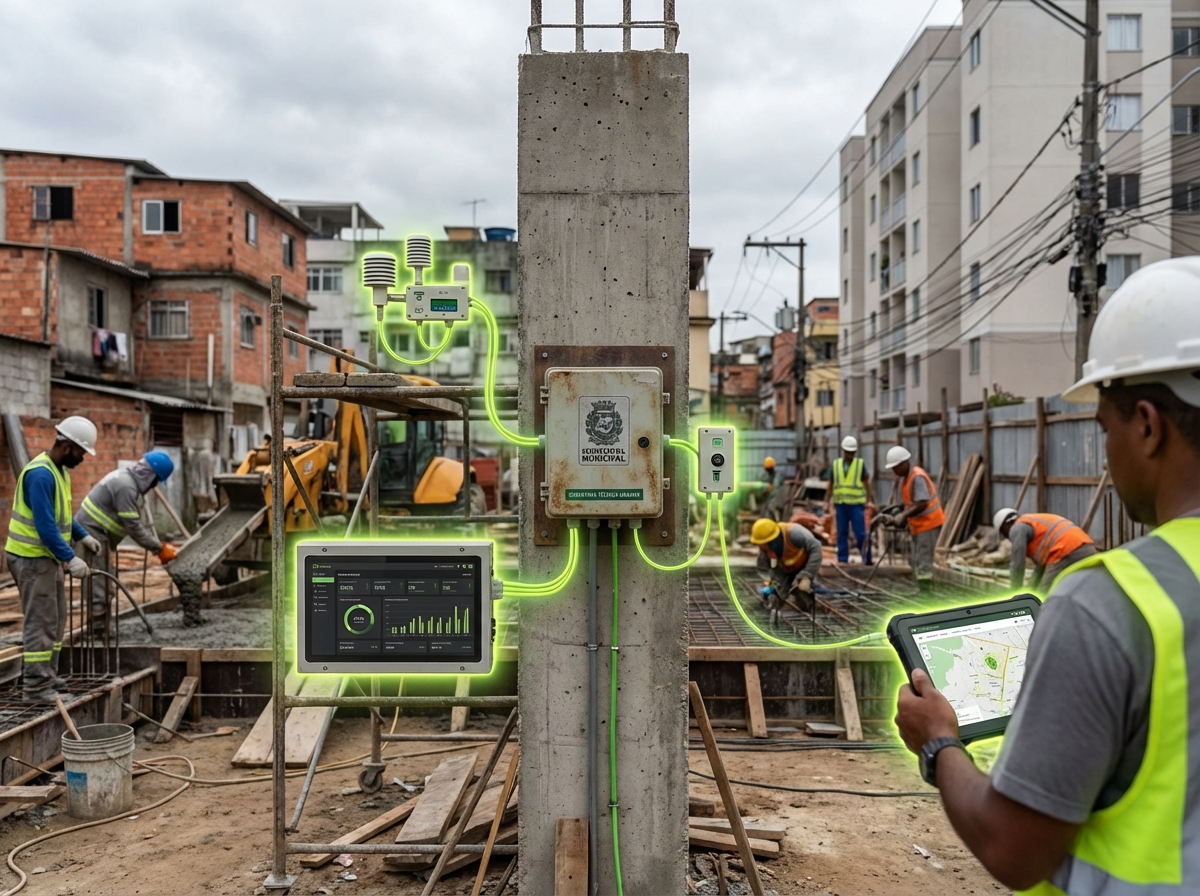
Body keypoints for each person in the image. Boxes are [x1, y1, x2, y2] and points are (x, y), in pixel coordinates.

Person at [893, 256, 1200, 893]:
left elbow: (1014, 849)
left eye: (1104, 428)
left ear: (1145, 425)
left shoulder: (1107, 606)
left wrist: (938, 742)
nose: (1107, 454)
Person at [3, 417, 98, 702]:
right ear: (67, 446)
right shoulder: (41, 474)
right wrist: (71, 558)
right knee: (40, 621)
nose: (83, 458)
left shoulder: (59, 471)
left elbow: (62, 517)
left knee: (56, 619)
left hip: (45, 560)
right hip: (31, 560)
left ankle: (46, 674)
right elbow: (45, 527)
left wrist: (82, 536)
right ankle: (35, 687)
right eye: (81, 452)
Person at [76, 451, 177, 629]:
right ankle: (98, 626)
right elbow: (133, 526)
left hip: (97, 532)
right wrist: (157, 547)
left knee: (107, 575)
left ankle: (103, 622)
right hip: (91, 533)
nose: (154, 486)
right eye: (155, 482)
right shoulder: (126, 486)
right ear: (150, 476)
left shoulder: (126, 480)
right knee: (98, 579)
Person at [882, 445, 944, 593]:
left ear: (904, 463)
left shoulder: (917, 477)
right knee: (916, 560)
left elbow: (922, 503)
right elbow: (912, 502)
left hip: (928, 524)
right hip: (919, 526)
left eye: (895, 467)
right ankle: (922, 591)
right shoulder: (907, 478)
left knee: (924, 562)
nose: (894, 471)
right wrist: (901, 509)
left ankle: (926, 596)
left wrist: (903, 515)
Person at [993, 508, 1097, 592]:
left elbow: (1017, 564)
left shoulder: (1017, 528)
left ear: (1005, 526)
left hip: (1065, 551)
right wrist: (1029, 591)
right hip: (1087, 547)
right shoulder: (1033, 522)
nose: (1007, 537)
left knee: (1042, 596)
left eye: (1004, 533)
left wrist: (1014, 593)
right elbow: (1041, 568)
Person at [749, 517, 823, 625]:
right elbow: (766, 569)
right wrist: (773, 585)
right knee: (776, 596)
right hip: (783, 569)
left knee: (803, 594)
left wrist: (807, 575)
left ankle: (812, 618)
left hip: (802, 567)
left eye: (765, 544)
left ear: (773, 539)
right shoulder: (766, 549)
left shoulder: (794, 534)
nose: (763, 547)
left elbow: (816, 548)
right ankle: (771, 618)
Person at [830, 435, 874, 566]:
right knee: (841, 532)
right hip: (841, 504)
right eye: (848, 452)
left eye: (852, 452)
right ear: (843, 451)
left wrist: (870, 499)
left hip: (856, 505)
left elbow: (866, 483)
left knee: (860, 533)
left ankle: (867, 558)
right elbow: (831, 482)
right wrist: (827, 500)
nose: (850, 454)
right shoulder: (836, 464)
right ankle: (842, 559)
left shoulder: (860, 464)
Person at [758, 456, 786, 521]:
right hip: (769, 499)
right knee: (766, 513)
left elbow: (775, 486)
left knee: (771, 511)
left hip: (776, 499)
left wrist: (768, 489)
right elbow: (762, 483)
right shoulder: (765, 475)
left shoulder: (778, 475)